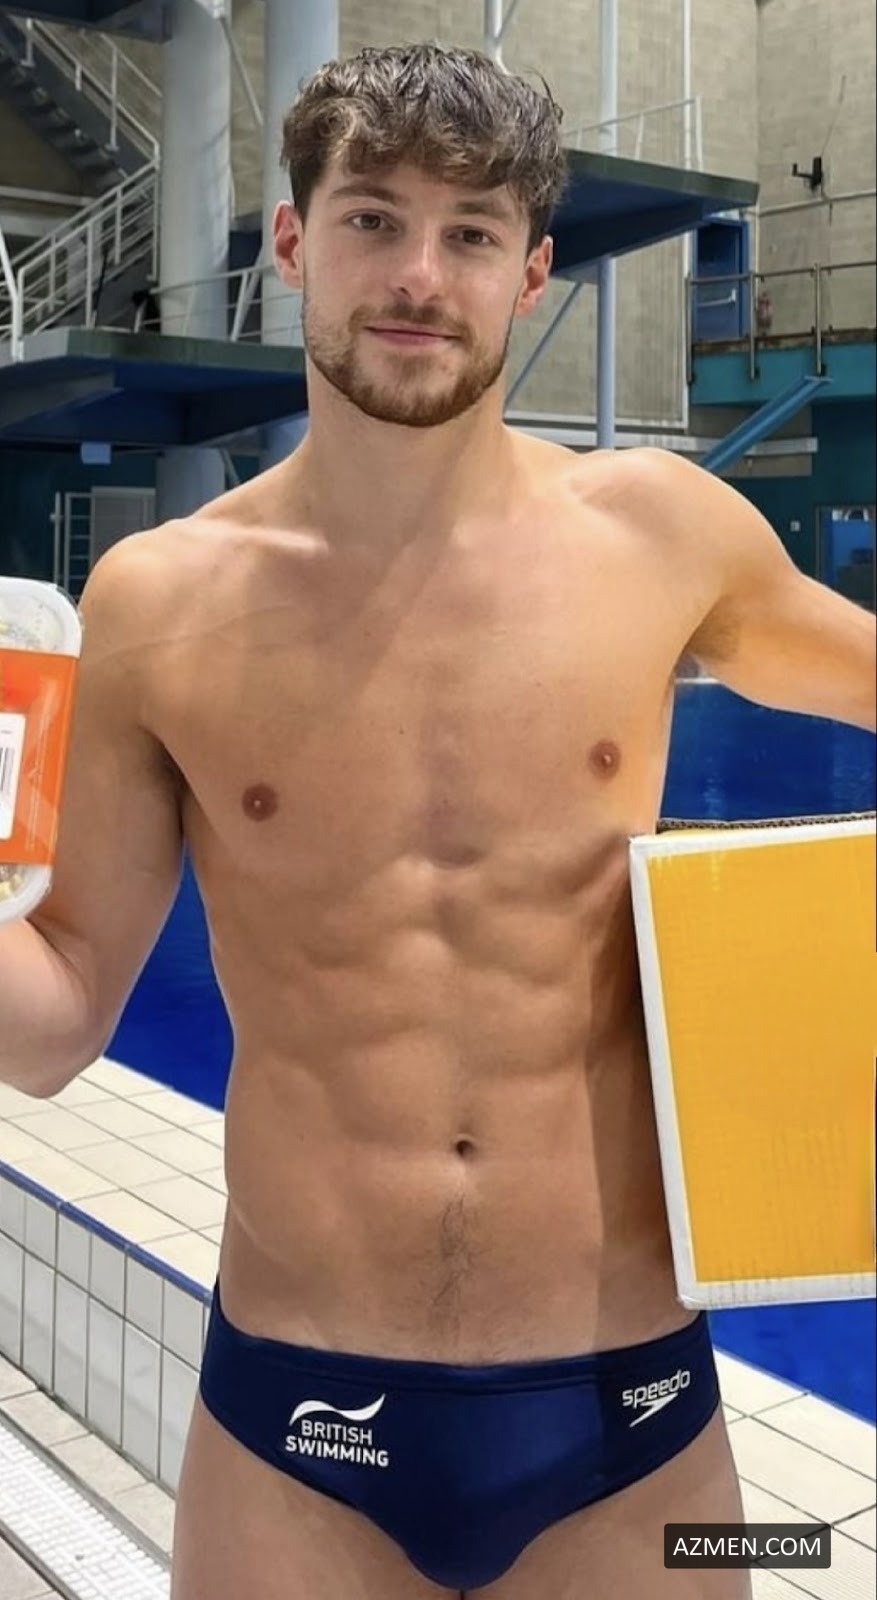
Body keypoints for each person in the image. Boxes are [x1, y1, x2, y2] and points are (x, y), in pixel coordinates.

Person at [1, 42, 874, 1600]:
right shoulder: (158, 604)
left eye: (471, 231)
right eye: (372, 219)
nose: (418, 274)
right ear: (291, 242)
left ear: (529, 272)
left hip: (637, 1424)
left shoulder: (662, 536)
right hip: (289, 1430)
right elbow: (55, 1022)